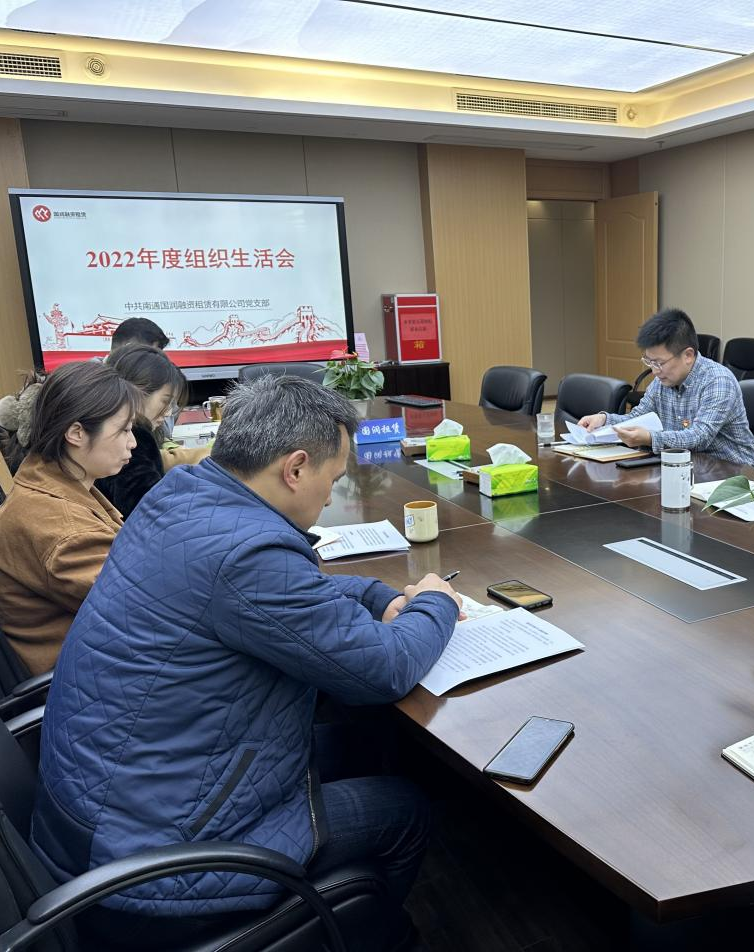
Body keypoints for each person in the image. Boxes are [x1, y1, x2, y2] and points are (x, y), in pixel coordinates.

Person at [30, 375, 463, 950]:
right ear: (296, 468)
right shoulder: (247, 553)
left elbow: (281, 595)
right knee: (404, 810)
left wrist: (376, 596)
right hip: (153, 871)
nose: (329, 497)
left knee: (364, 741)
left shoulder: (183, 495)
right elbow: (382, 669)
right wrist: (435, 601)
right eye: (333, 480)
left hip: (106, 815)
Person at [0, 361, 136, 674]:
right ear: (76, 433)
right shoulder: (65, 533)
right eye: (124, 430)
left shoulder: (52, 482)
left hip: (98, 657)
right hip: (95, 678)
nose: (133, 442)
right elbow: (142, 607)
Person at [577, 308, 754, 465]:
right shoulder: (662, 380)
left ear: (688, 355)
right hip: (685, 466)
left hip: (732, 472)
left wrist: (650, 438)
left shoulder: (718, 381)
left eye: (659, 363)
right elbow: (637, 417)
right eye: (649, 362)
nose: (655, 371)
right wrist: (605, 420)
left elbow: (699, 437)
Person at [94, 344, 204, 516]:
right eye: (165, 401)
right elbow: (149, 505)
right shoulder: (135, 438)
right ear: (138, 391)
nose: (168, 412)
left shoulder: (108, 430)